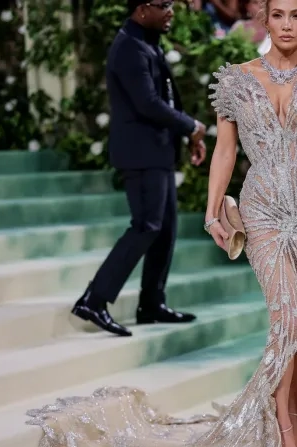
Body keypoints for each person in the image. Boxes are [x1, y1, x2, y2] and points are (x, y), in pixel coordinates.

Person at [26, 0, 297, 447]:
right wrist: (213, 208)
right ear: (263, 20)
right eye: (278, 15)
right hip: (265, 210)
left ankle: (295, 424)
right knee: (286, 321)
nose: (287, 24)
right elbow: (226, 151)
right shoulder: (235, 79)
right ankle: (286, 441)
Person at [68, 0, 207, 337]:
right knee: (146, 226)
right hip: (141, 154)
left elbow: (167, 97)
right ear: (142, 9)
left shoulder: (145, 42)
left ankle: (151, 303)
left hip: (157, 152)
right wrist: (190, 126)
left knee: (166, 228)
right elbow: (147, 103)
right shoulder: (129, 47)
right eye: (163, 5)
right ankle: (94, 299)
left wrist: (188, 134)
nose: (171, 11)